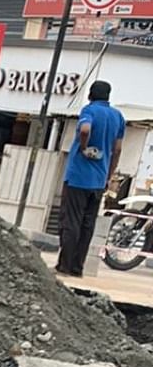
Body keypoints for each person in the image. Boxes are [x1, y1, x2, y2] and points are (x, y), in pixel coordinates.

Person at [57, 81, 126, 277]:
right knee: (88, 224)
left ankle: (65, 265)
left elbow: (85, 129)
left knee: (71, 221)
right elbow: (118, 149)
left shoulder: (89, 111)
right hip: (99, 179)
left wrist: (84, 147)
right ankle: (78, 268)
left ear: (90, 94)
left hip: (78, 177)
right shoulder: (118, 117)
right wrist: (108, 176)